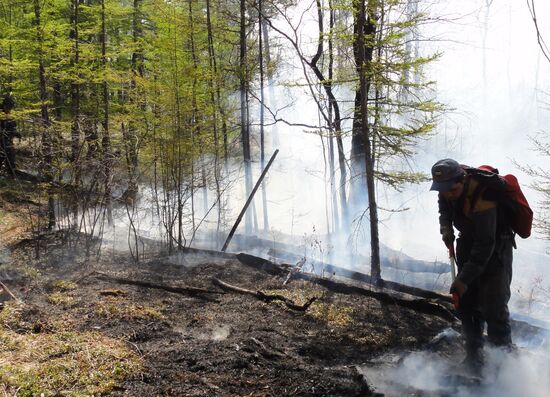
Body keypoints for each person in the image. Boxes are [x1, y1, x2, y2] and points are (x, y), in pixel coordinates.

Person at [430, 158, 514, 373]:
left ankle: (502, 370)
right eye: (443, 190)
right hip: (467, 243)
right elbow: (444, 206)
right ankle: (474, 359)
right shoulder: (447, 187)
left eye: (452, 190)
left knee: (494, 309)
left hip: (495, 250)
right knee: (467, 306)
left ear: (463, 180)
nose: (448, 193)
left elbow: (485, 245)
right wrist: (445, 226)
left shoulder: (484, 196)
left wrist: (462, 280)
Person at [0, 95, 20, 176]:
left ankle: (12, 173)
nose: (9, 109)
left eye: (10, 107)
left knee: (10, 155)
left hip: (7, 139)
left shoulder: (10, 114)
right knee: (1, 155)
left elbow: (13, 126)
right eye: (8, 107)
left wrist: (16, 133)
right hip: (1, 139)